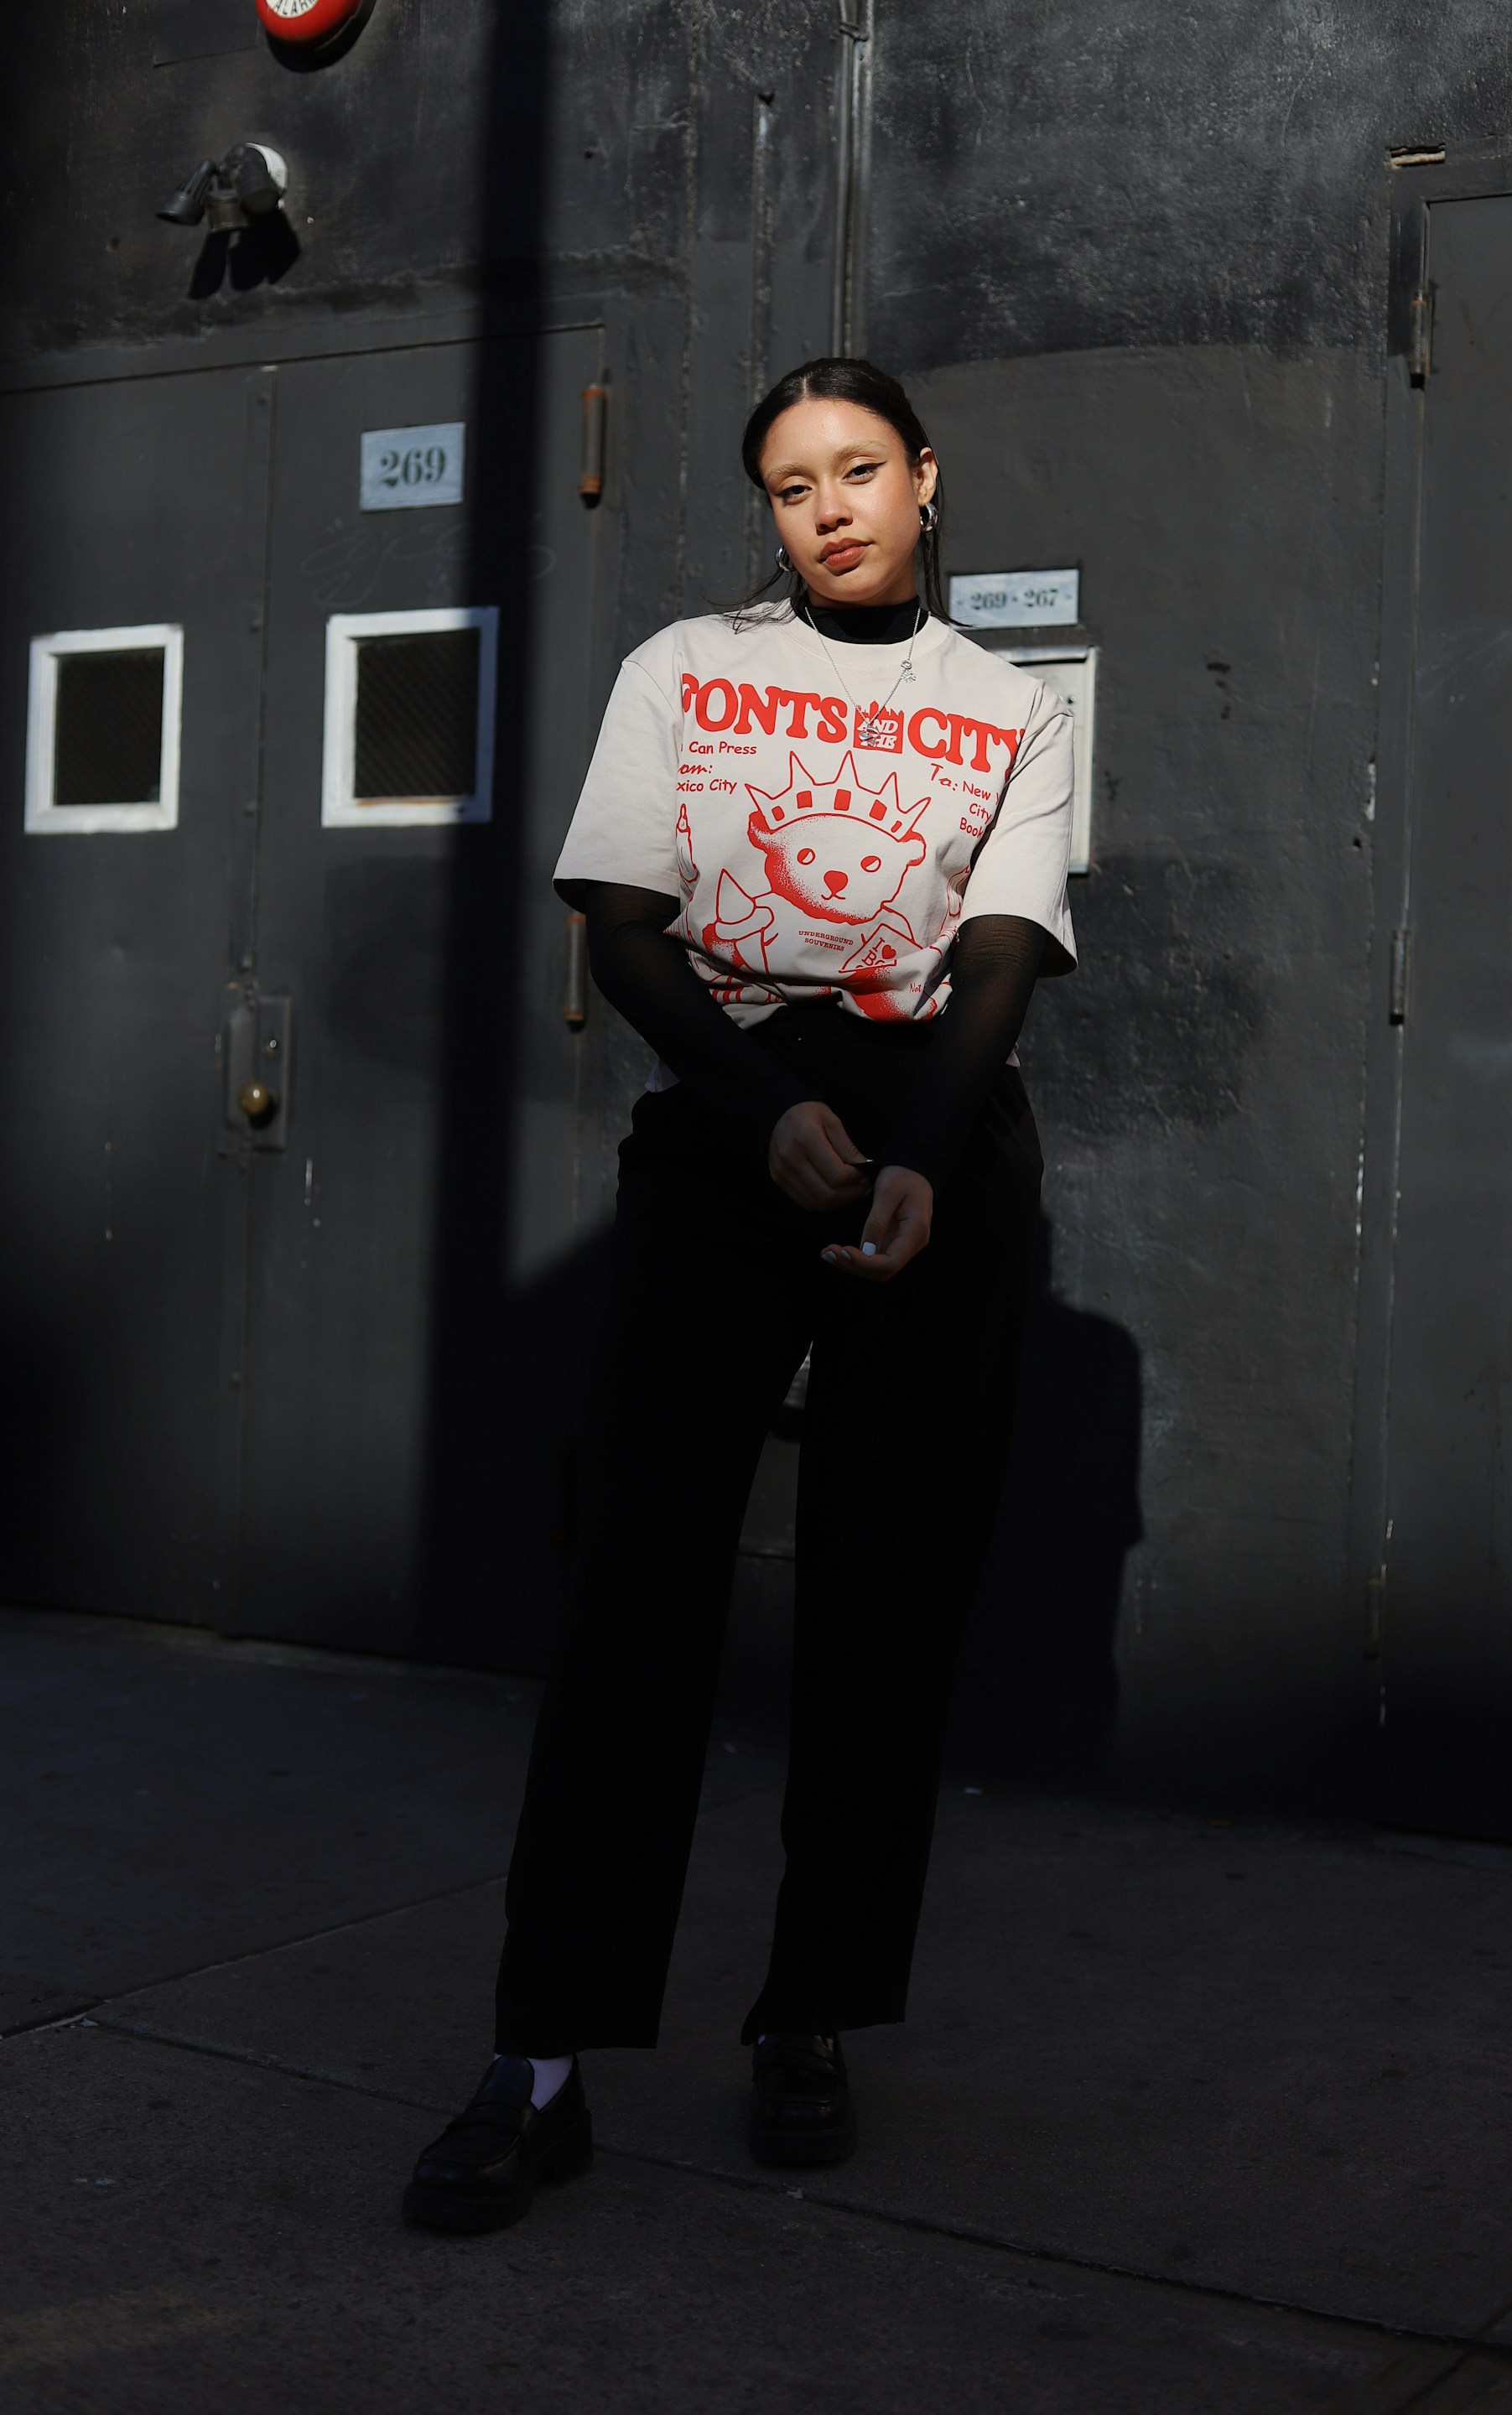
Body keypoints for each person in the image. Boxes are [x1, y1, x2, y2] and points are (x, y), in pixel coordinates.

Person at [403, 356, 1077, 2234]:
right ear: (768, 512)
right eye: (793, 486)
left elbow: (1000, 956)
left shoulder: (1011, 703)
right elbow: (625, 928)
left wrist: (921, 1156)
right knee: (635, 1582)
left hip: (939, 1140)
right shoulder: (685, 668)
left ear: (925, 476)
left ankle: (811, 2016)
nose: (831, 509)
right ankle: (540, 2061)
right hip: (727, 1128)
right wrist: (757, 1107)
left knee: (884, 1597)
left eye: (860, 470)